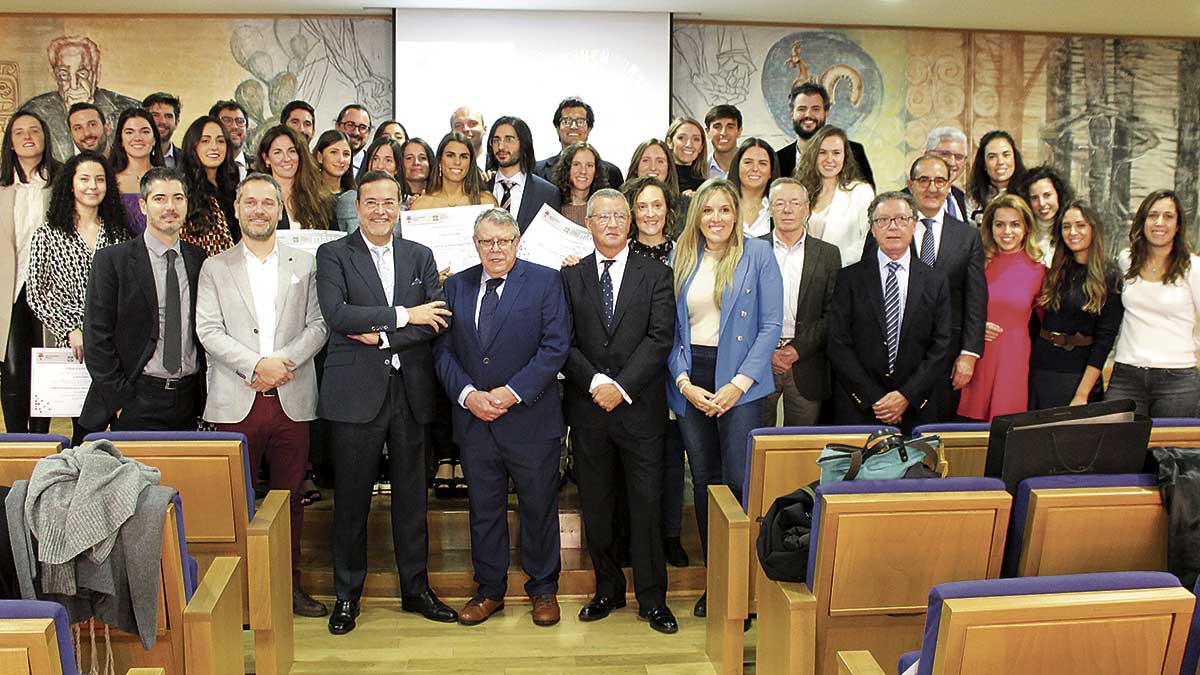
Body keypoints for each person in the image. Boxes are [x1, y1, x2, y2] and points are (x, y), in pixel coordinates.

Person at [315, 171, 458, 634]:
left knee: (413, 501)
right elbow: (338, 315)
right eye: (371, 202)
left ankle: (416, 590)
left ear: (400, 207)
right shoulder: (333, 254)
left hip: (411, 393)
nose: (380, 210)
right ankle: (346, 596)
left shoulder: (420, 255)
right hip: (354, 395)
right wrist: (402, 316)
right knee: (352, 501)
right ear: (357, 207)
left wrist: (379, 338)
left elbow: (435, 320)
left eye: (389, 202)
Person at [196, 172, 329, 617]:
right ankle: (241, 598)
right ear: (236, 208)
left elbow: (319, 325)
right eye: (249, 202)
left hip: (292, 399)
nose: (258, 210)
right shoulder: (215, 267)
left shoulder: (305, 264)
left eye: (267, 203)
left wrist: (280, 365)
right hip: (236, 399)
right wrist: (255, 365)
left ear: (279, 210)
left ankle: (286, 589)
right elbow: (208, 330)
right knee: (237, 504)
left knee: (289, 502)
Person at [434, 208, 571, 627]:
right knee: (484, 508)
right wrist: (468, 394)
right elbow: (442, 350)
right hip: (475, 420)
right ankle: (489, 589)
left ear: (517, 243)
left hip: (530, 418)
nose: (495, 249)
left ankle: (543, 588)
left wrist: (510, 394)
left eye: (504, 241)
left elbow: (555, 346)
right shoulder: (455, 286)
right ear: (475, 245)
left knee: (539, 506)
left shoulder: (546, 281)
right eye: (487, 242)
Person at [561, 188, 678, 633]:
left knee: (646, 506)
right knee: (597, 505)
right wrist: (595, 382)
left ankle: (653, 599)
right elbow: (563, 341)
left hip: (639, 409)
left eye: (618, 216)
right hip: (588, 410)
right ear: (588, 224)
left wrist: (621, 386)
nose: (611, 223)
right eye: (601, 216)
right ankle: (607, 589)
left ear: (630, 223)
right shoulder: (570, 278)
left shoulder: (656, 275)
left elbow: (659, 338)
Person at [668, 178, 782, 618]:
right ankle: (718, 581)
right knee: (705, 483)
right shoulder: (682, 256)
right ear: (697, 215)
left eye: (724, 210)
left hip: (742, 382)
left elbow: (770, 327)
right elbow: (672, 331)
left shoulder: (758, 255)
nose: (716, 218)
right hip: (692, 378)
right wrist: (682, 382)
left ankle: (745, 589)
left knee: (738, 483)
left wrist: (738, 384)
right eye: (708, 210)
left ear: (737, 215)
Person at [79, 167, 207, 436]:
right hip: (136, 397)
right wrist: (119, 401)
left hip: (188, 400)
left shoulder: (198, 259)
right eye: (160, 198)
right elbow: (96, 337)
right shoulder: (113, 260)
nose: (170, 206)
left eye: (178, 198)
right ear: (143, 205)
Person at [867, 154, 987, 420]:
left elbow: (976, 301)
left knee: (932, 434)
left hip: (945, 357)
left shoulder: (968, 237)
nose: (932, 188)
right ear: (910, 184)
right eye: (924, 180)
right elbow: (869, 291)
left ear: (949, 184)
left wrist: (969, 354)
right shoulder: (887, 226)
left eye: (939, 180)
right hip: (891, 356)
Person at [826, 191, 952, 433]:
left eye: (902, 219)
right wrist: (876, 399)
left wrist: (906, 396)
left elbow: (941, 345)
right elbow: (838, 344)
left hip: (917, 405)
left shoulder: (935, 281)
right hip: (861, 406)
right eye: (883, 220)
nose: (893, 227)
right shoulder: (849, 278)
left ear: (914, 225)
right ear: (873, 229)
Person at [27, 151, 129, 444]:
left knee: (121, 429)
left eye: (100, 180)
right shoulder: (47, 235)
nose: (92, 186)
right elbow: (37, 293)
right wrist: (71, 328)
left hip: (115, 347)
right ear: (70, 185)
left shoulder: (118, 234)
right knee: (83, 429)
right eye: (84, 179)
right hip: (73, 351)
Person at [622, 175, 687, 566]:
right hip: (632, 371)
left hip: (675, 368)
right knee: (634, 460)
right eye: (642, 206)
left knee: (671, 455)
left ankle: (671, 534)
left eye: (656, 206)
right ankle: (633, 538)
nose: (649, 213)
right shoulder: (617, 253)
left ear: (668, 211)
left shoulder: (684, 254)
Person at [1105, 190, 1200, 416]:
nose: (1159, 222)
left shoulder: (1193, 268)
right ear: (1143, 221)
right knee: (1120, 448)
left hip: (1177, 381)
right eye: (1153, 215)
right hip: (1126, 376)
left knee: (1171, 452)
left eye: (1168, 216)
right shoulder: (1126, 260)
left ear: (1178, 226)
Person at [758, 177, 840, 427]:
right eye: (780, 203)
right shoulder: (753, 249)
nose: (787, 209)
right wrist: (768, 352)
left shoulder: (827, 254)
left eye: (795, 203)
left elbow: (831, 313)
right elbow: (744, 310)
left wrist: (795, 350)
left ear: (807, 209)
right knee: (756, 442)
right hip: (760, 363)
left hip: (807, 361)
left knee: (800, 445)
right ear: (770, 209)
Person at [957, 195, 1046, 421]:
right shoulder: (976, 263)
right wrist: (974, 328)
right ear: (990, 227)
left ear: (1026, 228)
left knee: (1006, 431)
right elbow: (954, 308)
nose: (1007, 231)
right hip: (975, 359)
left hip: (1013, 360)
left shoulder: (1039, 271)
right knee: (969, 434)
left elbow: (1046, 322)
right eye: (1000, 224)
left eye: (1015, 224)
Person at [1029, 200, 1123, 409]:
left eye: (1080, 225)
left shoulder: (1109, 276)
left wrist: (1082, 394)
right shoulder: (1056, 270)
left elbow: (1103, 342)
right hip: (1041, 369)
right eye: (1066, 226)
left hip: (1077, 376)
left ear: (1093, 228)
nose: (1073, 232)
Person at [0, 111, 57, 434]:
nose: (27, 136)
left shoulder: (60, 179)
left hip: (49, 287)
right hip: (9, 286)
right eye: (19, 132)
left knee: (44, 365)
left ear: (45, 137)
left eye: (34, 130)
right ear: (10, 143)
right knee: (12, 366)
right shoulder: (4, 186)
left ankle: (40, 439)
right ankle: (15, 440)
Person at [18, 35, 139, 162]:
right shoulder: (35, 112)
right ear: (54, 76)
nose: (74, 85)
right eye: (64, 74)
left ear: (97, 73)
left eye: (82, 73)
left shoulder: (128, 109)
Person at [796, 125, 873, 267]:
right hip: (804, 278)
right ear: (813, 155)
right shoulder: (801, 191)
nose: (829, 159)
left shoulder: (861, 192)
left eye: (836, 153)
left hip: (844, 274)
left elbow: (867, 240)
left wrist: (830, 265)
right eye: (822, 152)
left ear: (845, 156)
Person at [775, 81, 874, 187]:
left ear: (826, 113)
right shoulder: (778, 159)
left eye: (815, 109)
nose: (808, 114)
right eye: (802, 109)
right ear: (792, 114)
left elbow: (868, 200)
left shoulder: (854, 152)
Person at [485, 116, 560, 233]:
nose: (500, 146)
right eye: (496, 140)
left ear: (523, 143)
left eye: (509, 139)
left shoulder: (547, 194)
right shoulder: (481, 187)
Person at [177, 115, 239, 256]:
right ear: (193, 145)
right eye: (205, 141)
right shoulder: (182, 190)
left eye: (220, 141)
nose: (214, 147)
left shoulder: (233, 188)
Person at [255, 125, 335, 230]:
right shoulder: (257, 198)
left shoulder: (319, 198)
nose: (287, 158)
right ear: (266, 159)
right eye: (277, 152)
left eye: (292, 151)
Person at [533, 98, 623, 187]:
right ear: (557, 128)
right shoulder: (537, 171)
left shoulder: (611, 173)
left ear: (589, 129)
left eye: (580, 121)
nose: (573, 126)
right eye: (567, 121)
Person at [111, 107, 165, 236]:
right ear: (121, 140)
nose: (137, 138)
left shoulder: (169, 179)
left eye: (145, 132)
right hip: (119, 253)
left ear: (154, 139)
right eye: (129, 132)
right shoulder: (109, 180)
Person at [409, 133, 497, 211]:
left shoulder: (486, 202)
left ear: (470, 163)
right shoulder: (421, 206)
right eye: (450, 155)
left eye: (464, 156)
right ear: (439, 160)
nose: (457, 162)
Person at [966, 129, 1026, 225]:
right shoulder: (972, 200)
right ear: (984, 164)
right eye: (992, 157)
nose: (1000, 162)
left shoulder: (1028, 194)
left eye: (1006, 155)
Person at [1016, 165, 1073, 265]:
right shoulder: (1022, 234)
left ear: (1058, 194)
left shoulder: (1071, 231)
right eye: (1034, 198)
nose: (1042, 203)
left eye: (1047, 195)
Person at [726, 137, 778, 237]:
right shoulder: (721, 203)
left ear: (771, 172)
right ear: (737, 167)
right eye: (748, 162)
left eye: (762, 163)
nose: (755, 169)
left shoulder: (779, 208)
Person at [551, 142, 607, 225]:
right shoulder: (552, 206)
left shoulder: (605, 208)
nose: (583, 171)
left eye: (589, 165)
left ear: (596, 171)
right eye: (576, 164)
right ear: (567, 168)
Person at [313, 130, 356, 231]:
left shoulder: (354, 196)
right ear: (319, 157)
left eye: (346, 154)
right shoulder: (309, 195)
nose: (341, 159)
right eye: (334, 152)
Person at [925, 126, 970, 222]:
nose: (952, 162)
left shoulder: (959, 196)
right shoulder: (907, 199)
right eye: (945, 154)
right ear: (927, 156)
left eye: (958, 157)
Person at [209, 100, 252, 179]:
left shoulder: (258, 167)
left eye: (240, 121)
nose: (234, 127)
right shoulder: (204, 167)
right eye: (227, 121)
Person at [666, 117, 708, 194]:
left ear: (701, 147)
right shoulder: (660, 180)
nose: (689, 144)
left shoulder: (705, 187)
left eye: (696, 139)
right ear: (670, 142)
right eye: (681, 138)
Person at [142, 92, 181, 168]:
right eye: (155, 115)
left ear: (176, 123)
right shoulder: (128, 159)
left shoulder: (188, 161)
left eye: (168, 116)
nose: (162, 121)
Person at [705, 104, 742, 180]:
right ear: (707, 132)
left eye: (730, 127)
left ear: (739, 132)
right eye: (717, 127)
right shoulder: (699, 170)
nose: (723, 133)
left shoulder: (752, 167)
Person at [336, 104, 373, 172]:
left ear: (369, 132)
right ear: (337, 126)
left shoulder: (374, 166)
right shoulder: (321, 162)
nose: (356, 133)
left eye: (362, 127)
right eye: (350, 125)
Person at [399, 137, 434, 208]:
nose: (416, 162)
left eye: (422, 158)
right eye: (409, 158)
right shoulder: (394, 200)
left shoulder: (441, 197)